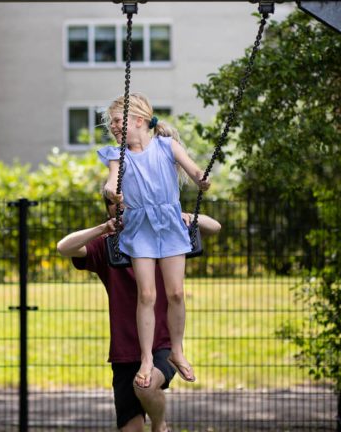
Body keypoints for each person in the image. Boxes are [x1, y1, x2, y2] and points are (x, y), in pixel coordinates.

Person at [56, 201, 221, 432]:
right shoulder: (108, 246)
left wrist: (180, 214)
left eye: (128, 202)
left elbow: (214, 226)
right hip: (124, 351)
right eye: (114, 204)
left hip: (162, 344)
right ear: (109, 210)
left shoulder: (165, 237)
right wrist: (102, 229)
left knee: (145, 387)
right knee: (130, 428)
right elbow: (64, 247)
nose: (122, 208)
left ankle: (160, 425)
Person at [98, 93, 210, 389]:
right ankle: (147, 357)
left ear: (139, 120)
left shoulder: (167, 146)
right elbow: (112, 182)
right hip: (139, 227)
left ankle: (177, 350)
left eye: (118, 120)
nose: (113, 126)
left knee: (175, 293)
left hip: (170, 224)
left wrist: (202, 179)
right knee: (146, 294)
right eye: (111, 122)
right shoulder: (116, 154)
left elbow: (195, 170)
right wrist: (112, 193)